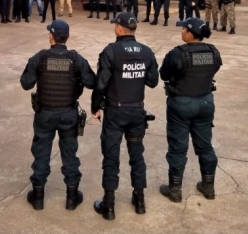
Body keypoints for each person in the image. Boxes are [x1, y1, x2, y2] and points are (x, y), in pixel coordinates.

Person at [20, 20, 96, 210]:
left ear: (51, 36)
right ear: (67, 37)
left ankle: (38, 197)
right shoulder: (75, 59)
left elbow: (26, 83)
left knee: (41, 154)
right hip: (68, 114)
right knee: (70, 155)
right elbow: (91, 81)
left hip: (44, 114)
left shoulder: (40, 57)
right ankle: (71, 197)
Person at [91, 12, 160, 220]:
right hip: (136, 112)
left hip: (115, 112)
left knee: (111, 157)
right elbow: (153, 81)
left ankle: (109, 206)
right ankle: (139, 201)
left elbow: (101, 83)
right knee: (136, 156)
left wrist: (96, 106)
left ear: (119, 28)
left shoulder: (111, 51)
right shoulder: (146, 52)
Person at [159, 18, 222, 203]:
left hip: (181, 103)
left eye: (184, 29)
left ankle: (175, 189)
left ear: (189, 33)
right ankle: (208, 187)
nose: (182, 32)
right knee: (205, 146)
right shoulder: (213, 51)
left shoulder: (177, 53)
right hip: (205, 102)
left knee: (178, 148)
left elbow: (164, 74)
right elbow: (216, 68)